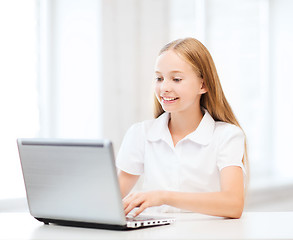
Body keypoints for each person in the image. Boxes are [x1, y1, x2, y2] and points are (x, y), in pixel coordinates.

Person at [116, 37, 248, 219]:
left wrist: (163, 196)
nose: (164, 87)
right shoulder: (140, 133)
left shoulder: (227, 136)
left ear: (203, 85)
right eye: (159, 78)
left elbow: (233, 205)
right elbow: (111, 199)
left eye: (176, 79)